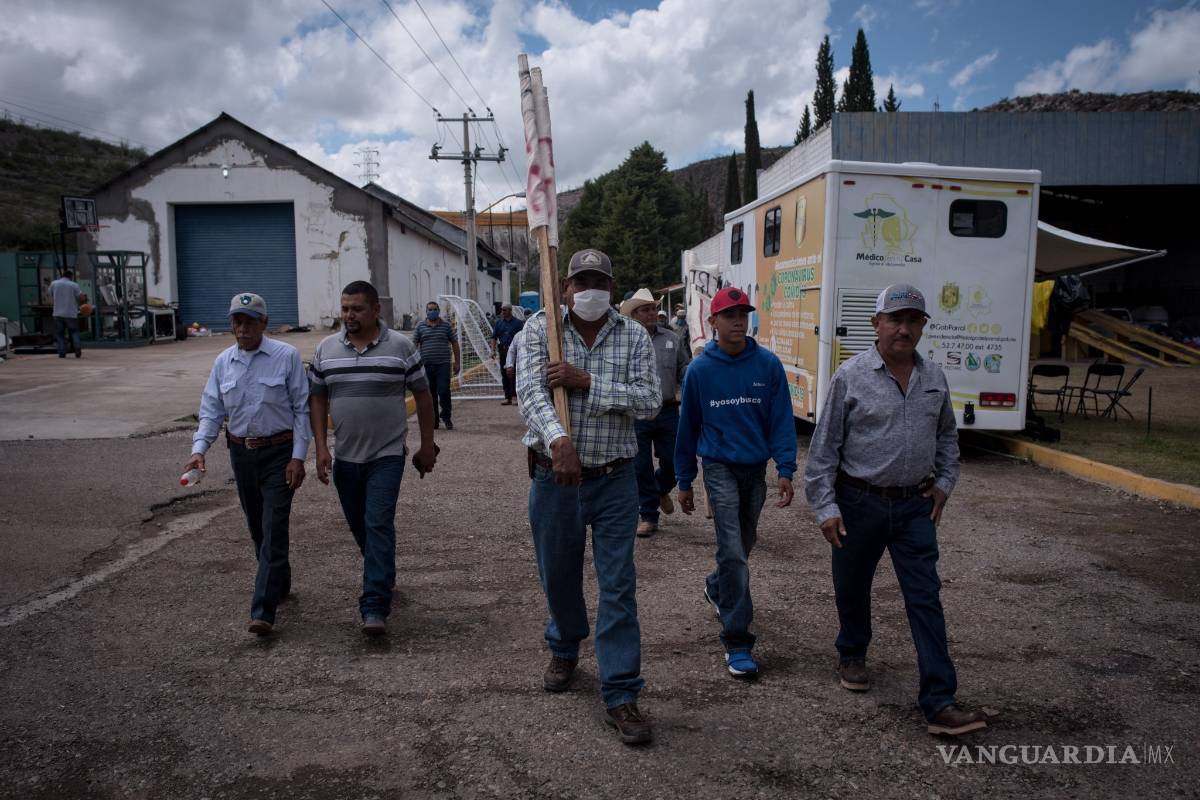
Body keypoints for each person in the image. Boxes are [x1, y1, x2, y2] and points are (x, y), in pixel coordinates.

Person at [804, 283, 985, 737]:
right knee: (852, 585)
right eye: (896, 320)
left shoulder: (934, 378)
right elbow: (824, 449)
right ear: (876, 324)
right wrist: (826, 506)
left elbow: (947, 437)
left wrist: (944, 483)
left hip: (914, 508)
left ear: (922, 326)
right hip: (858, 501)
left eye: (914, 321)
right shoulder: (850, 376)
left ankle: (940, 700)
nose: (905, 329)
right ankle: (852, 650)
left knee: (925, 597)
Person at [516, 248, 661, 746]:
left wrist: (587, 382)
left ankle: (620, 690)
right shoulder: (541, 329)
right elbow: (531, 392)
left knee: (618, 586)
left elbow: (648, 401)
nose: (590, 290)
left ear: (612, 287)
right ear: (566, 287)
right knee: (557, 574)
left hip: (616, 480)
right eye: (582, 281)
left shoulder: (635, 335)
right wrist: (559, 441)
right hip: (554, 478)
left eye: (600, 280)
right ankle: (565, 642)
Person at [674, 287, 796, 679]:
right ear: (713, 322)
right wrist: (685, 479)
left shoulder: (768, 365)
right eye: (729, 315)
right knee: (733, 550)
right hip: (719, 468)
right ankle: (738, 640)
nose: (739, 321)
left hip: (755, 469)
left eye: (743, 313)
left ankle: (716, 586)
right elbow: (687, 428)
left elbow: (780, 420)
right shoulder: (699, 371)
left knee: (744, 544)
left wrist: (786, 469)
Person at [309, 281, 437, 636]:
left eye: (357, 309)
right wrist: (320, 447)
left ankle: (374, 605)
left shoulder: (401, 346)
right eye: (345, 308)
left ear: (376, 310)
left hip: (387, 455)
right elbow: (317, 398)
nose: (349, 315)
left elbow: (423, 397)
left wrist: (427, 445)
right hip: (346, 457)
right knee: (362, 526)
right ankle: (383, 571)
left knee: (378, 521)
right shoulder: (325, 349)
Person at [185, 293, 310, 636]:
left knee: (273, 527)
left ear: (264, 324)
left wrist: (299, 457)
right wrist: (200, 449)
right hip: (242, 454)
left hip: (279, 453)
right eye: (237, 322)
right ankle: (278, 580)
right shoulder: (224, 362)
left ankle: (263, 611)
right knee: (257, 528)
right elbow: (212, 410)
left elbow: (302, 410)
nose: (242, 329)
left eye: (250, 322)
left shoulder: (286, 357)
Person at [619, 288, 689, 537]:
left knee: (676, 461)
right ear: (635, 314)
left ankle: (661, 489)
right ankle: (648, 515)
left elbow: (685, 368)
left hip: (668, 410)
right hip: (637, 412)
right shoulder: (625, 342)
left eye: (652, 309)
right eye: (645, 310)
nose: (650, 314)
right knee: (640, 466)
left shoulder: (672, 338)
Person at [413, 300, 460, 430]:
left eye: (435, 309)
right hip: (426, 366)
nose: (432, 312)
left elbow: (455, 343)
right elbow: (414, 344)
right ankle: (434, 420)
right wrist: (413, 363)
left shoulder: (446, 326)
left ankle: (446, 417)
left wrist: (457, 362)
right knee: (430, 394)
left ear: (439, 311)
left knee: (444, 391)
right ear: (426, 312)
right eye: (430, 310)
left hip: (443, 365)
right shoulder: (420, 326)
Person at [491, 302, 524, 405]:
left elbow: (523, 336)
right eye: (502, 310)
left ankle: (515, 396)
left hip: (515, 351)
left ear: (510, 310)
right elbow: (494, 337)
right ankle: (507, 397)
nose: (503, 312)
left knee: (514, 373)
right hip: (503, 350)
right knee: (504, 373)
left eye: (505, 310)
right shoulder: (499, 323)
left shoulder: (518, 323)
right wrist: (493, 350)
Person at [49, 270, 87, 358]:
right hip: (70, 313)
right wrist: (84, 299)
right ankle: (77, 349)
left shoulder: (54, 284)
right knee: (74, 332)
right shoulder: (74, 285)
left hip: (57, 313)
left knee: (60, 334)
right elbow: (81, 298)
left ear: (62, 276)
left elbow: (51, 294)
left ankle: (62, 353)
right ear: (71, 276)